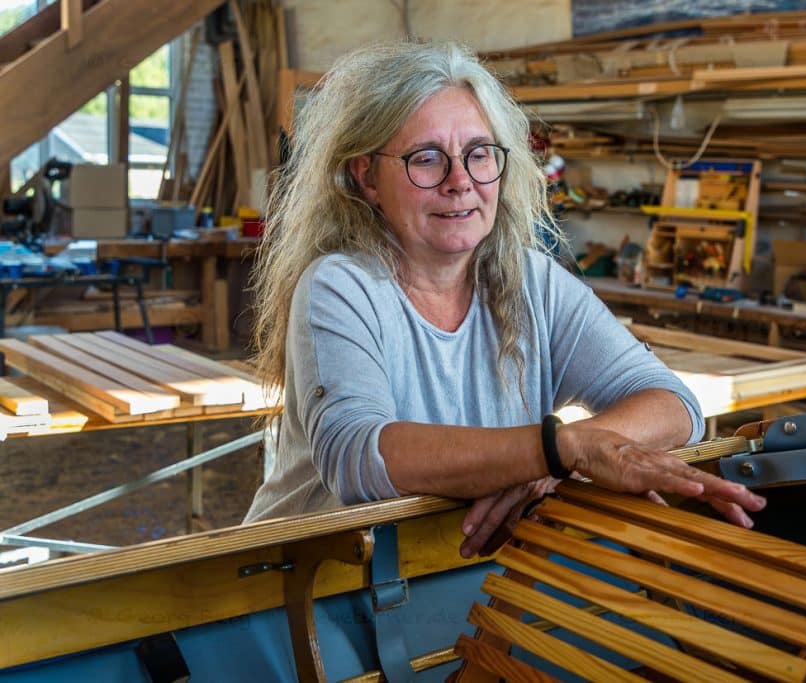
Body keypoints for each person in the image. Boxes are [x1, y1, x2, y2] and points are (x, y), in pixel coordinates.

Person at [243, 41, 765, 557]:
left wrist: (549, 461)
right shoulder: (341, 285)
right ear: (367, 178)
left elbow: (674, 405)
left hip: (439, 575)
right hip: (292, 589)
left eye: (478, 154)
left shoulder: (531, 281)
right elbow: (361, 458)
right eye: (426, 159)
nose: (460, 182)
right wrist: (558, 450)